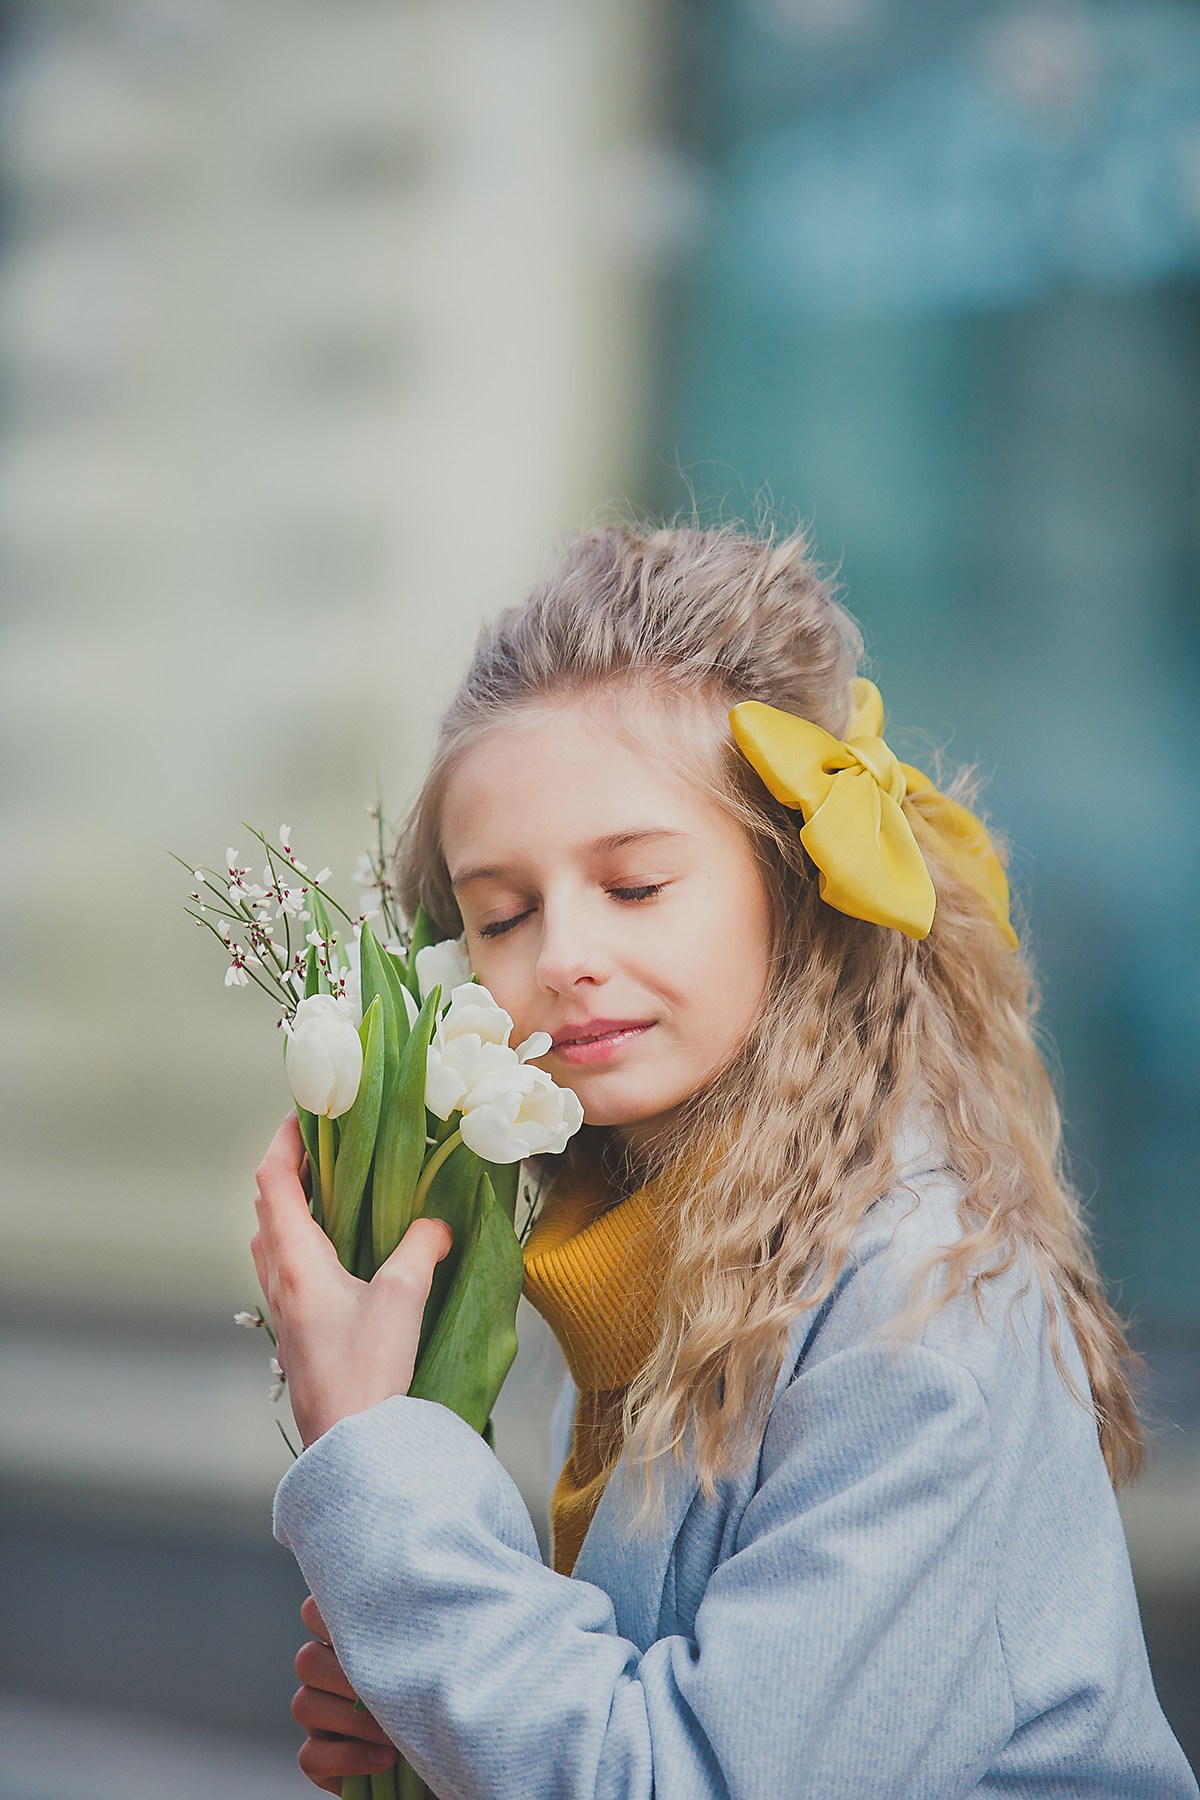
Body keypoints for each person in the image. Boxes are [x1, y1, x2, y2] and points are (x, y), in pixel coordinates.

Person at [251, 524, 1196, 1798]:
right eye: (503, 914)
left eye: (635, 885)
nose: (565, 955)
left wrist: (371, 1455)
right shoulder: (637, 1245)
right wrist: (435, 1706)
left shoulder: (916, 1306)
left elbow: (686, 1776)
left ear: (792, 884)